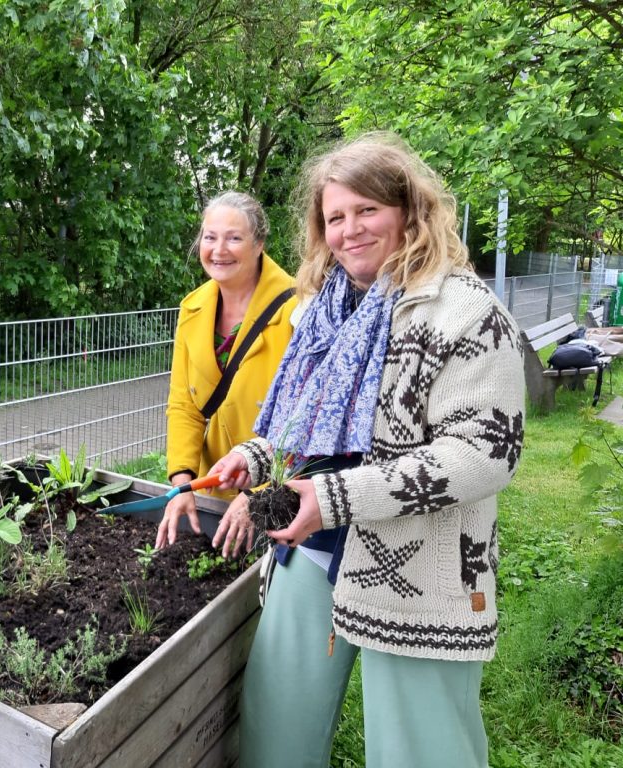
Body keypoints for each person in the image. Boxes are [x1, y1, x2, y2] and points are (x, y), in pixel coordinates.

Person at [209, 133, 525, 767]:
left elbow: (483, 454)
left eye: (367, 211)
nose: (349, 231)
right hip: (311, 544)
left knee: (419, 750)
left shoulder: (463, 310)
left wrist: (334, 498)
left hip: (416, 569)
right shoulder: (324, 310)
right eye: (335, 218)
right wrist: (259, 456)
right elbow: (308, 420)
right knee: (276, 736)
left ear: (409, 210)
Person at [156, 191, 298, 550]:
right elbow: (184, 405)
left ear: (259, 243)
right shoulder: (193, 308)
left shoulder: (299, 309)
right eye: (209, 237)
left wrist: (260, 494)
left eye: (234, 238)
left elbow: (305, 419)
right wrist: (182, 482)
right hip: (214, 488)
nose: (219, 250)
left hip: (283, 492)